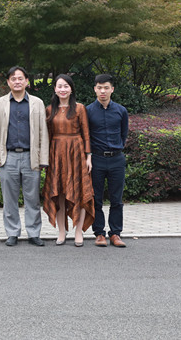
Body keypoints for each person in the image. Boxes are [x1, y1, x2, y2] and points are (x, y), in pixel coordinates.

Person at [0, 66, 49, 247]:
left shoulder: (37, 103)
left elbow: (43, 132)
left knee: (33, 199)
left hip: (31, 157)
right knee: (9, 199)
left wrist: (43, 159)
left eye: (20, 78)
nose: (17, 81)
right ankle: (12, 232)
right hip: (8, 157)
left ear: (26, 81)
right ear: (8, 82)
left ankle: (34, 233)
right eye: (13, 79)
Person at [41, 74, 94, 247]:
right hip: (56, 154)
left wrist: (88, 157)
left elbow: (86, 133)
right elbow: (47, 136)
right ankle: (62, 232)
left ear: (71, 89)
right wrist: (45, 159)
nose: (63, 89)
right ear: (55, 89)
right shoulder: (50, 110)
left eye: (66, 86)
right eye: (59, 86)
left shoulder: (79, 108)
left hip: (76, 154)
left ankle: (78, 231)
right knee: (59, 194)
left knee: (80, 192)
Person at [87, 73, 129, 248]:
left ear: (112, 89)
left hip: (116, 159)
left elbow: (124, 134)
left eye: (106, 88)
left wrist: (117, 148)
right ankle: (99, 233)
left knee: (116, 199)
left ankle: (115, 233)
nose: (102, 91)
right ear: (95, 89)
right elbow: (86, 136)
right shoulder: (88, 111)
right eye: (99, 88)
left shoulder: (121, 111)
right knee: (96, 198)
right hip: (96, 159)